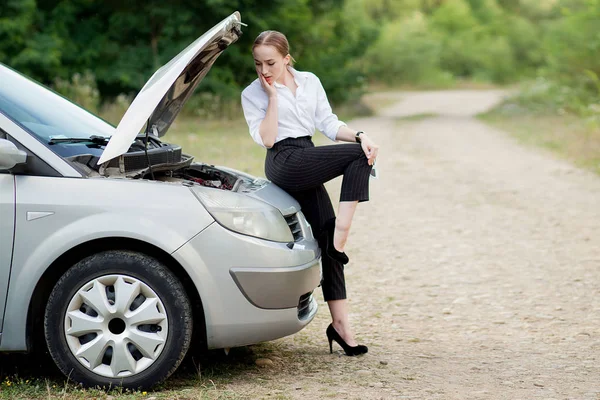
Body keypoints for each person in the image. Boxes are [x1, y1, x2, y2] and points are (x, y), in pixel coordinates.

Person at [241, 30, 379, 356]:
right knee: (357, 159)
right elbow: (269, 139)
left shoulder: (310, 81)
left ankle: (341, 327)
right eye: (258, 63)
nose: (264, 70)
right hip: (283, 160)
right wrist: (272, 96)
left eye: (271, 62)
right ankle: (342, 235)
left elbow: (328, 124)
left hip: (306, 153)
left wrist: (359, 134)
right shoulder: (253, 93)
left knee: (359, 153)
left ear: (287, 58)